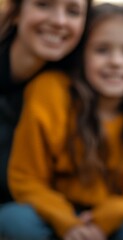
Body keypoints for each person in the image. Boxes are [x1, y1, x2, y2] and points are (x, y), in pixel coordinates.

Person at [0, 3, 123, 240]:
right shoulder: (49, 91)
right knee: (13, 219)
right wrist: (67, 223)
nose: (116, 62)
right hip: (48, 216)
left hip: (106, 226)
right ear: (82, 54)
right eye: (101, 50)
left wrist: (102, 221)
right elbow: (24, 178)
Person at [0, 0, 93, 204]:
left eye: (73, 11)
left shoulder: (78, 90)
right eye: (43, 4)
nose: (59, 21)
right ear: (16, 12)